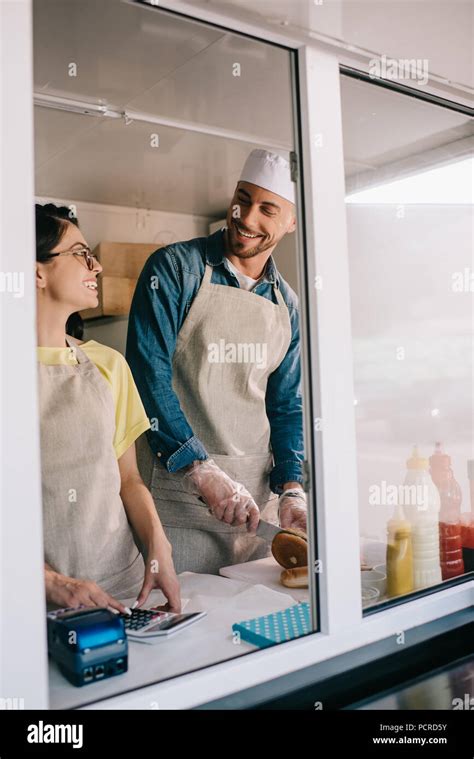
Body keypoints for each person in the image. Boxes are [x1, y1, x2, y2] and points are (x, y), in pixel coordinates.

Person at [127, 150, 307, 574]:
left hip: (251, 513)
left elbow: (285, 408)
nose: (245, 216)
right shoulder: (174, 269)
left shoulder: (289, 306)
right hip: (176, 502)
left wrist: (291, 489)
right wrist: (201, 470)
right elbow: (146, 375)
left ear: (291, 222)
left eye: (267, 208)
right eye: (242, 198)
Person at [36, 203, 180, 613]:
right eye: (80, 252)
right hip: (37, 603)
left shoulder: (108, 364)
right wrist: (49, 582)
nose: (95, 266)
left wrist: (158, 545)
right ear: (36, 271)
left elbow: (129, 480)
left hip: (123, 588)